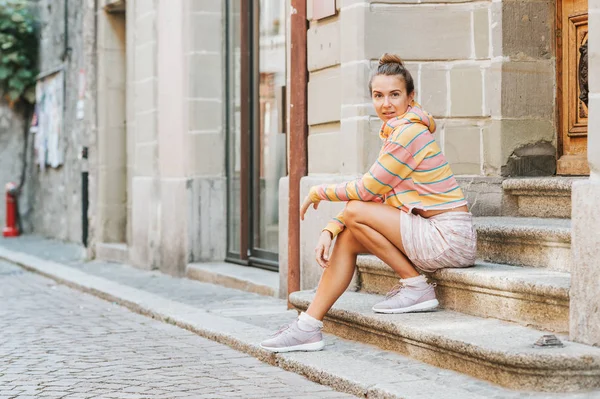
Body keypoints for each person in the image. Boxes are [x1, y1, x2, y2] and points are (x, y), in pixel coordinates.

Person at [260, 53, 477, 353]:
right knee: (349, 237)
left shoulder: (408, 133)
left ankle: (415, 286)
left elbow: (368, 189)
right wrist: (333, 228)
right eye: (378, 95)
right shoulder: (399, 132)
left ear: (410, 97)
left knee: (355, 212)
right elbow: (377, 195)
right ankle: (308, 327)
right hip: (433, 232)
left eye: (394, 95)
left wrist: (319, 193)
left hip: (448, 238)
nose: (386, 104)